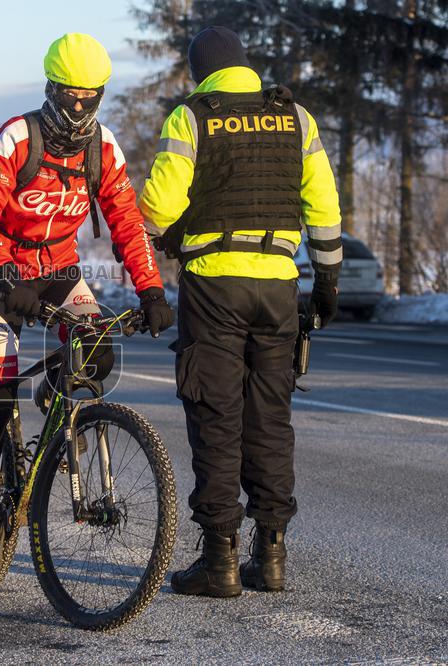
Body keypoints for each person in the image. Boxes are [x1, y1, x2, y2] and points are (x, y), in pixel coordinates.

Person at [0, 33, 175, 569]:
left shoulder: (104, 149)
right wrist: (8, 273)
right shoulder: (17, 136)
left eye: (90, 98)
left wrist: (151, 289)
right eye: (69, 96)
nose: (79, 108)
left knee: (95, 351)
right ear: (51, 88)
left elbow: (126, 222)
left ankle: (53, 407)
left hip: (57, 267)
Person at [140, 27, 342, 597]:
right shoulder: (295, 117)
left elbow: (157, 208)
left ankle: (219, 560)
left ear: (201, 71)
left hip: (213, 289)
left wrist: (169, 236)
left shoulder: (193, 117)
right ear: (246, 65)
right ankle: (271, 555)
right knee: (271, 419)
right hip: (279, 285)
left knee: (216, 418)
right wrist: (327, 281)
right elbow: (322, 205)